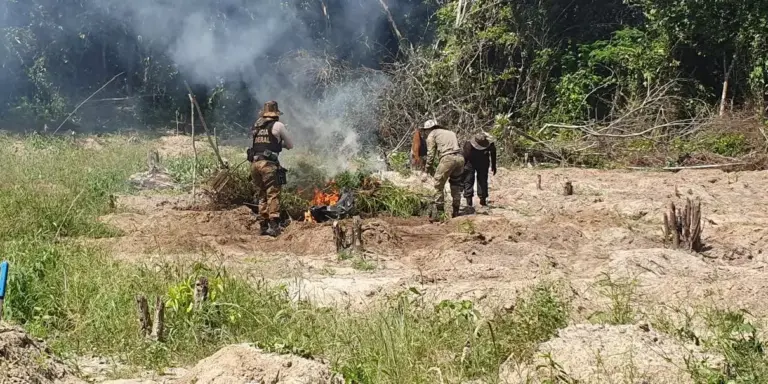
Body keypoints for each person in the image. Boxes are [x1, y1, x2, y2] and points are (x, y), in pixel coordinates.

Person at [249, 101, 293, 236]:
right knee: (273, 193)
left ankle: (263, 225)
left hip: (255, 164)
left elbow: (258, 144)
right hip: (268, 165)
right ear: (276, 114)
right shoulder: (278, 125)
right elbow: (290, 144)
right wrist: (280, 144)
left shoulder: (257, 125)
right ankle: (274, 226)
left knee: (261, 194)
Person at [422, 119, 465, 221]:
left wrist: (426, 171)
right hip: (460, 158)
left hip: (448, 159)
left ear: (428, 129)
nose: (425, 133)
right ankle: (456, 212)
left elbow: (431, 154)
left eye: (425, 130)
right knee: (455, 184)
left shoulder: (431, 135)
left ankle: (440, 215)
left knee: (438, 184)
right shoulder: (450, 132)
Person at [462, 132, 497, 207]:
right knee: (468, 180)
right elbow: (465, 157)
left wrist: (494, 165)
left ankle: (483, 200)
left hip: (483, 162)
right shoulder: (468, 144)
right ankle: (469, 202)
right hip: (470, 163)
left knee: (483, 180)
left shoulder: (490, 144)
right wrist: (462, 168)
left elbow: (493, 153)